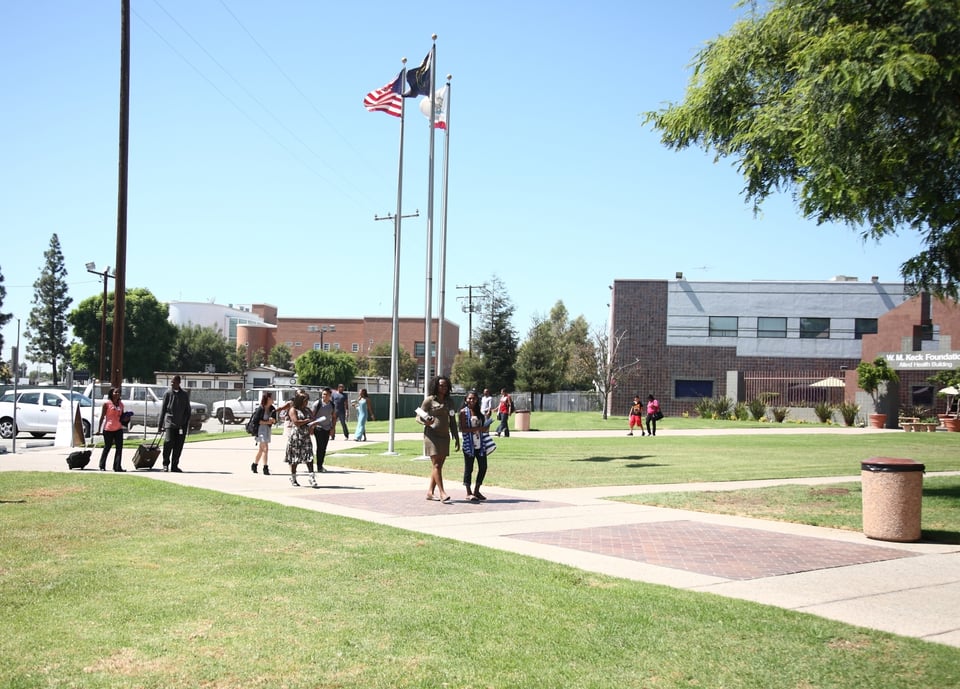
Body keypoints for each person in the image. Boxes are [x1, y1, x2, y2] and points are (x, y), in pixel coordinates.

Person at [417, 375, 460, 503]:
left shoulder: (450, 402)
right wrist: (426, 423)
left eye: (446, 385)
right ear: (436, 386)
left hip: (444, 436)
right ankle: (442, 493)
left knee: (439, 465)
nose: (444, 388)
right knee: (436, 464)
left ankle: (430, 492)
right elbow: (418, 416)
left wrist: (456, 437)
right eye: (441, 385)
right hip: (431, 435)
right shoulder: (429, 400)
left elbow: (452, 420)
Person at [458, 390, 490, 502]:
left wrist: (485, 427)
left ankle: (477, 490)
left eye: (474, 398)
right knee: (469, 468)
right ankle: (468, 492)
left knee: (483, 467)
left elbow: (483, 428)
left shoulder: (479, 412)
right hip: (469, 445)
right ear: (466, 400)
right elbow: (462, 429)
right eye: (469, 398)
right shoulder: (463, 412)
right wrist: (477, 429)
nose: (472, 400)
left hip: (480, 445)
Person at [285, 391, 318, 487]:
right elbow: (296, 422)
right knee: (295, 459)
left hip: (306, 436)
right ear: (300, 401)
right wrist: (306, 421)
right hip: (296, 437)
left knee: (309, 457)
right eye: (305, 401)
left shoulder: (307, 410)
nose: (306, 403)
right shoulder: (293, 410)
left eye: (307, 401)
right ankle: (293, 477)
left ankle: (312, 477)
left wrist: (313, 424)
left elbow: (313, 418)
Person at [159, 375, 191, 472]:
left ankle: (174, 465)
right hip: (169, 423)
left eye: (174, 382)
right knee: (168, 442)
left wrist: (185, 422)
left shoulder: (184, 394)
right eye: (171, 382)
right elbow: (163, 410)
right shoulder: (168, 394)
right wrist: (160, 425)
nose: (172, 384)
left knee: (178, 446)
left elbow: (187, 411)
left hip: (181, 425)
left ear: (179, 383)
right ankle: (165, 464)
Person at [97, 387, 126, 472]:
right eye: (115, 392)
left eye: (118, 393)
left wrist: (126, 418)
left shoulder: (121, 404)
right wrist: (99, 429)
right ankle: (102, 465)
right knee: (107, 447)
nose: (117, 394)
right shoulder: (106, 404)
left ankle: (117, 467)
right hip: (108, 429)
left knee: (119, 448)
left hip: (118, 428)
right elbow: (102, 417)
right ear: (111, 394)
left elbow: (122, 416)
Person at [251, 391, 276, 475]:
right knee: (265, 448)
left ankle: (254, 464)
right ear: (267, 399)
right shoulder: (260, 408)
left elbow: (275, 420)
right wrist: (267, 422)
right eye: (271, 398)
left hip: (267, 430)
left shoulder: (272, 408)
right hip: (260, 430)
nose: (272, 399)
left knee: (261, 450)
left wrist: (273, 420)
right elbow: (256, 421)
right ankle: (265, 467)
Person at [311, 387, 336, 472]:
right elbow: (312, 415)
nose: (324, 396)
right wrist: (312, 426)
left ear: (330, 395)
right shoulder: (317, 403)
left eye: (326, 394)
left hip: (327, 428)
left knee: (324, 447)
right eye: (323, 394)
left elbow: (333, 417)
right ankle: (319, 466)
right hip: (318, 428)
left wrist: (332, 428)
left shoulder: (332, 405)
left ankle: (320, 465)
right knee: (320, 446)